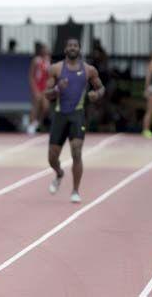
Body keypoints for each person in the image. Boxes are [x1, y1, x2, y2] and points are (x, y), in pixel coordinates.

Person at [45, 38, 105, 204]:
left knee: (76, 152)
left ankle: (75, 190)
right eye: (69, 45)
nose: (72, 48)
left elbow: (101, 87)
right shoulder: (56, 69)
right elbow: (47, 93)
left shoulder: (88, 70)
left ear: (79, 49)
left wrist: (96, 94)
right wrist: (57, 89)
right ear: (65, 49)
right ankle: (59, 173)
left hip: (77, 115)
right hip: (60, 116)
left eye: (75, 46)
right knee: (52, 157)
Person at [28, 42, 51, 135]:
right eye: (44, 49)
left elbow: (49, 75)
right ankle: (31, 125)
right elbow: (31, 75)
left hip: (45, 87)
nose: (46, 51)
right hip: (37, 86)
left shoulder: (48, 61)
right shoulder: (36, 60)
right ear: (41, 50)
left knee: (46, 107)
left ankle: (38, 123)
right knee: (36, 106)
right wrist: (34, 89)